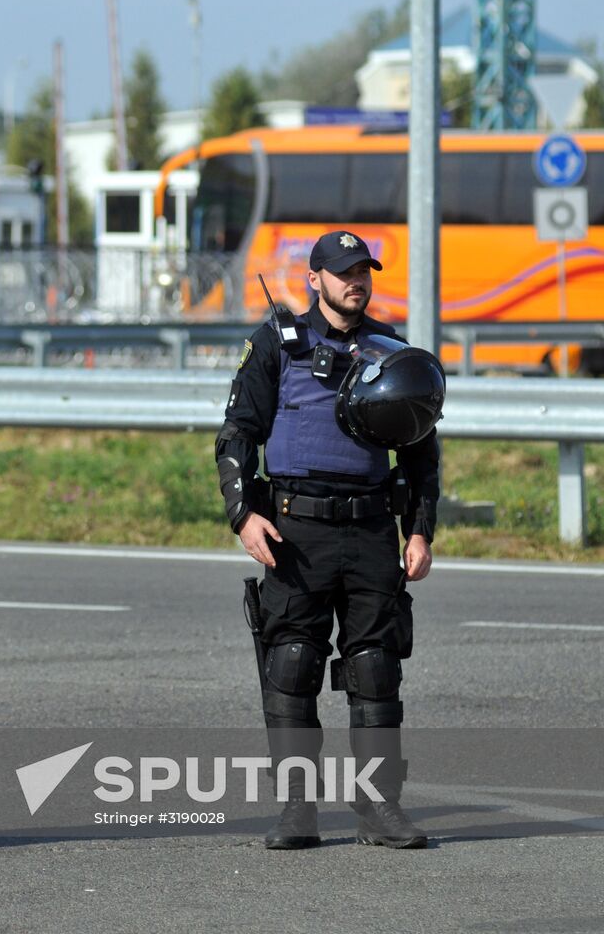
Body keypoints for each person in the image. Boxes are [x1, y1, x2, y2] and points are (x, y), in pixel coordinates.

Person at [215, 230, 441, 850]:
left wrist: (419, 530)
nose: (356, 281)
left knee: (375, 670)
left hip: (371, 528)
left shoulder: (391, 350)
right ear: (314, 278)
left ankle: (379, 809)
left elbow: (422, 451)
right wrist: (243, 516)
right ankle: (296, 811)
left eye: (363, 270)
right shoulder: (277, 345)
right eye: (343, 272)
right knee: (291, 665)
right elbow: (237, 434)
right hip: (297, 530)